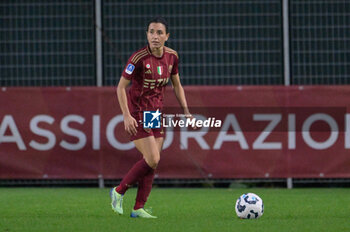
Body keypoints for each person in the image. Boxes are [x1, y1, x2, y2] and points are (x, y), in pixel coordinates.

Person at [110, 16, 193, 219]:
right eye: (151, 32)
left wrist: (186, 111)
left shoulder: (172, 56)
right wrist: (126, 115)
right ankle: (118, 191)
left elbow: (177, 85)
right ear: (146, 34)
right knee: (153, 158)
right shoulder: (138, 58)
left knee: (152, 162)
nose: (154, 36)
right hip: (138, 112)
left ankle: (138, 208)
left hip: (155, 113)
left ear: (167, 36)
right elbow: (121, 87)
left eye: (159, 32)